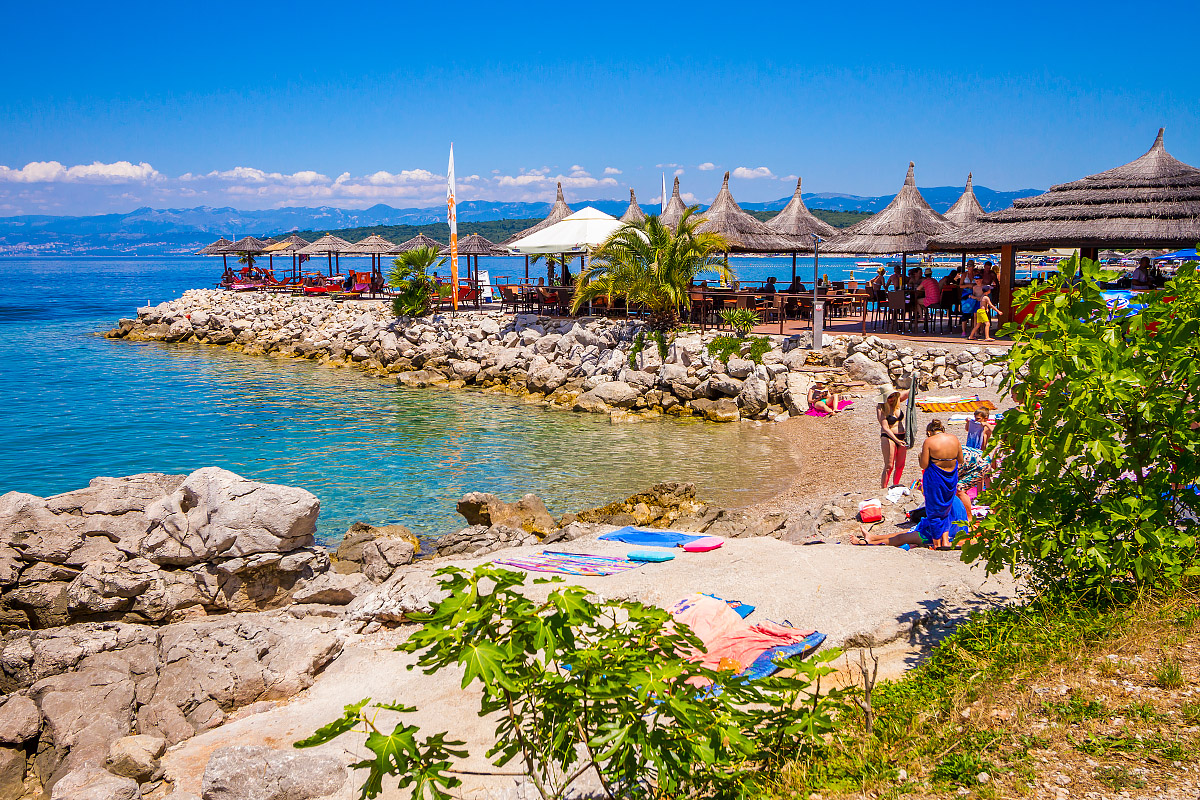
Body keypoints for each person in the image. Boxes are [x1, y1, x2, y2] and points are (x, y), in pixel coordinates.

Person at [859, 420, 972, 548]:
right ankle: (945, 542)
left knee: (934, 510)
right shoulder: (954, 439)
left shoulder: (929, 442)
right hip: (950, 478)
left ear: (929, 432)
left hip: (936, 479)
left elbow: (924, 464)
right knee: (945, 509)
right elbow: (961, 460)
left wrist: (921, 457)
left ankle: (936, 544)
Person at [877, 384, 910, 489]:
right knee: (889, 466)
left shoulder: (897, 402)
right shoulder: (880, 407)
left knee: (900, 465)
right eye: (888, 397)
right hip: (889, 437)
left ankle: (895, 486)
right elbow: (885, 427)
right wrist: (897, 440)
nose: (891, 399)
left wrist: (915, 380)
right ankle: (883, 488)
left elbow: (910, 392)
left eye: (892, 396)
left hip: (902, 435)